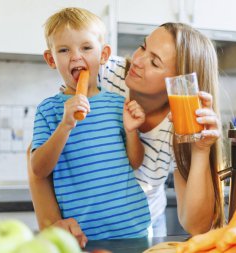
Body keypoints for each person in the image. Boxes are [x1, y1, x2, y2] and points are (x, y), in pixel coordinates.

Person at [28, 21, 225, 245]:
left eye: (154, 62)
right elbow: (37, 155)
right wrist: (52, 224)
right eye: (143, 47)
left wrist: (200, 150)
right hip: (81, 233)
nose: (137, 61)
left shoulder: (182, 120)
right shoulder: (103, 70)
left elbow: (196, 225)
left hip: (140, 231)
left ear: (178, 82)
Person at [29, 7, 151, 241]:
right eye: (64, 50)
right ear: (50, 59)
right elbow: (38, 169)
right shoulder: (49, 110)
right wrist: (65, 125)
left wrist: (131, 131)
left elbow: (135, 163)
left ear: (103, 54)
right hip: (81, 236)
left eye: (86, 48)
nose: (76, 56)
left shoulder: (119, 105)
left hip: (132, 230)